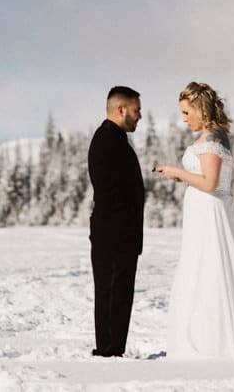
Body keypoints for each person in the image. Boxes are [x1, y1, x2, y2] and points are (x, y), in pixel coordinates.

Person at [153, 81, 234, 357]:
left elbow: (210, 183)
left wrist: (178, 172)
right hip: (203, 213)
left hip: (210, 213)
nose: (184, 119)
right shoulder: (211, 137)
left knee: (211, 268)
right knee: (202, 268)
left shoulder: (213, 139)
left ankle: (214, 338)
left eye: (186, 113)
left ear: (200, 108)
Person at [87, 85, 146, 358]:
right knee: (113, 295)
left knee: (117, 296)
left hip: (116, 234)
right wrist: (125, 231)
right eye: (136, 110)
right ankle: (109, 353)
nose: (140, 116)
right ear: (121, 109)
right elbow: (112, 193)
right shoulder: (107, 140)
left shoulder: (114, 139)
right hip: (114, 235)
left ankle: (111, 350)